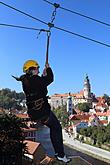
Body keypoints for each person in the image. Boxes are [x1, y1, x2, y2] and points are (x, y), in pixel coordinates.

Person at [16, 60, 71, 163]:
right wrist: (48, 69)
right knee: (56, 127)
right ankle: (60, 154)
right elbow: (50, 79)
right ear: (31, 70)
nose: (38, 69)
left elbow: (39, 85)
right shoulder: (36, 80)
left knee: (53, 127)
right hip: (42, 111)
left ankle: (58, 153)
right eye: (37, 68)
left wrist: (42, 76)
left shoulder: (25, 80)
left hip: (33, 113)